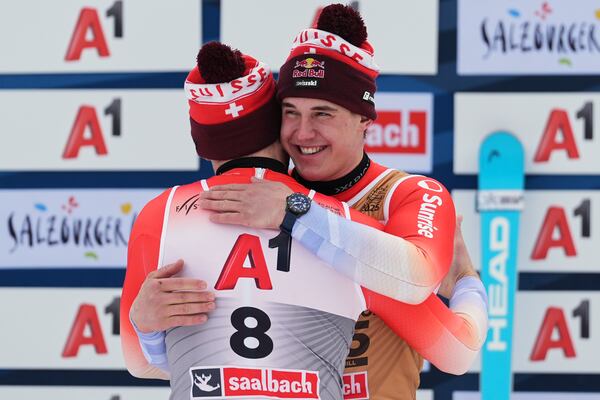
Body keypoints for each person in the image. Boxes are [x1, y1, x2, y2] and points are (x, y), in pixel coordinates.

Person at [120, 41, 483, 400]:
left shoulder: (165, 214)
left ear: (364, 119)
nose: (303, 133)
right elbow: (455, 347)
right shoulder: (336, 221)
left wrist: (294, 211)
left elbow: (160, 363)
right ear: (274, 124)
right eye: (291, 112)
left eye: (323, 113)